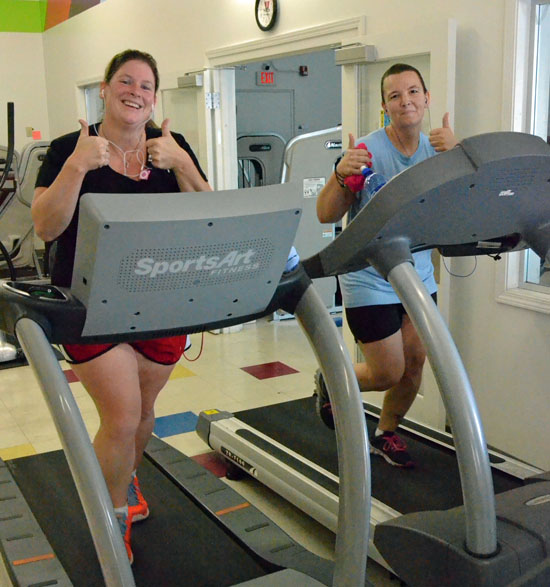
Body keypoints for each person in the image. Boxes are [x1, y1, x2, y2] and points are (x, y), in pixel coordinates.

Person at [32, 49, 212, 563]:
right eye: (125, 82)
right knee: (122, 414)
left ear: (155, 97)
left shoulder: (172, 147)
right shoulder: (72, 146)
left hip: (162, 299)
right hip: (91, 305)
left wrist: (181, 165)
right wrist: (75, 167)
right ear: (106, 89)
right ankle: (109, 517)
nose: (136, 91)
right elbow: (46, 226)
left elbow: (211, 215)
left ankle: (123, 481)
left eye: (147, 85)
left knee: (144, 413)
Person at [315, 63, 457, 468]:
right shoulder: (367, 150)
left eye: (413, 92)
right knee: (388, 371)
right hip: (369, 277)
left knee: (414, 365)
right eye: (395, 96)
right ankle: (330, 379)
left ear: (427, 99)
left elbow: (461, 205)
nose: (405, 101)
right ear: (384, 106)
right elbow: (326, 214)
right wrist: (341, 176)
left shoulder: (441, 150)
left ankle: (387, 433)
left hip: (416, 276)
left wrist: (461, 156)